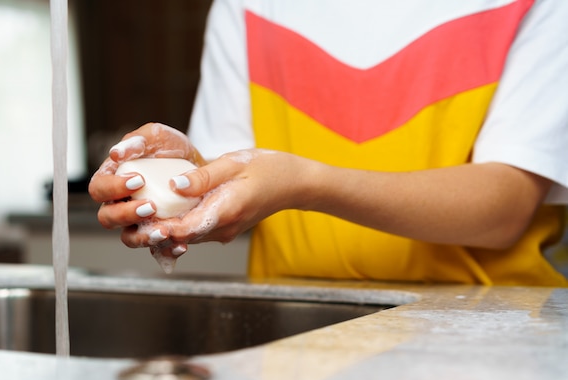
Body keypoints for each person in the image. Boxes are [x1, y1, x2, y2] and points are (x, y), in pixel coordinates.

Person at [89, 0, 568, 286]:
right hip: (295, 342)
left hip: (485, 335)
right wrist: (186, 176)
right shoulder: (248, 6)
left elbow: (505, 209)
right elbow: (234, 175)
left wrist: (305, 183)